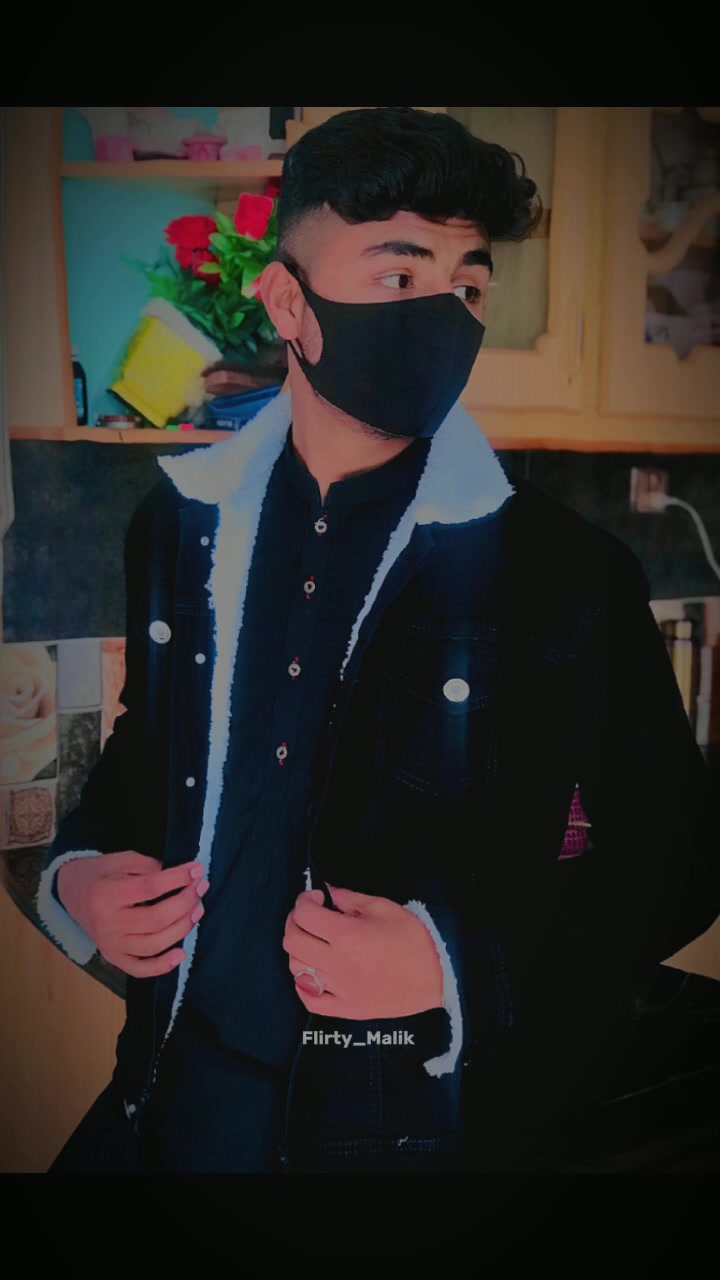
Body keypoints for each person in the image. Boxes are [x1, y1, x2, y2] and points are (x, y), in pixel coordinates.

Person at [36, 107, 719, 1183]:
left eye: (469, 286)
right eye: (400, 275)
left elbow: (680, 858)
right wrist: (77, 877)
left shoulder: (567, 571)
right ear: (288, 302)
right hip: (174, 1083)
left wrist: (455, 962)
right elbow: (147, 745)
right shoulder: (178, 525)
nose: (445, 314)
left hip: (405, 1125)